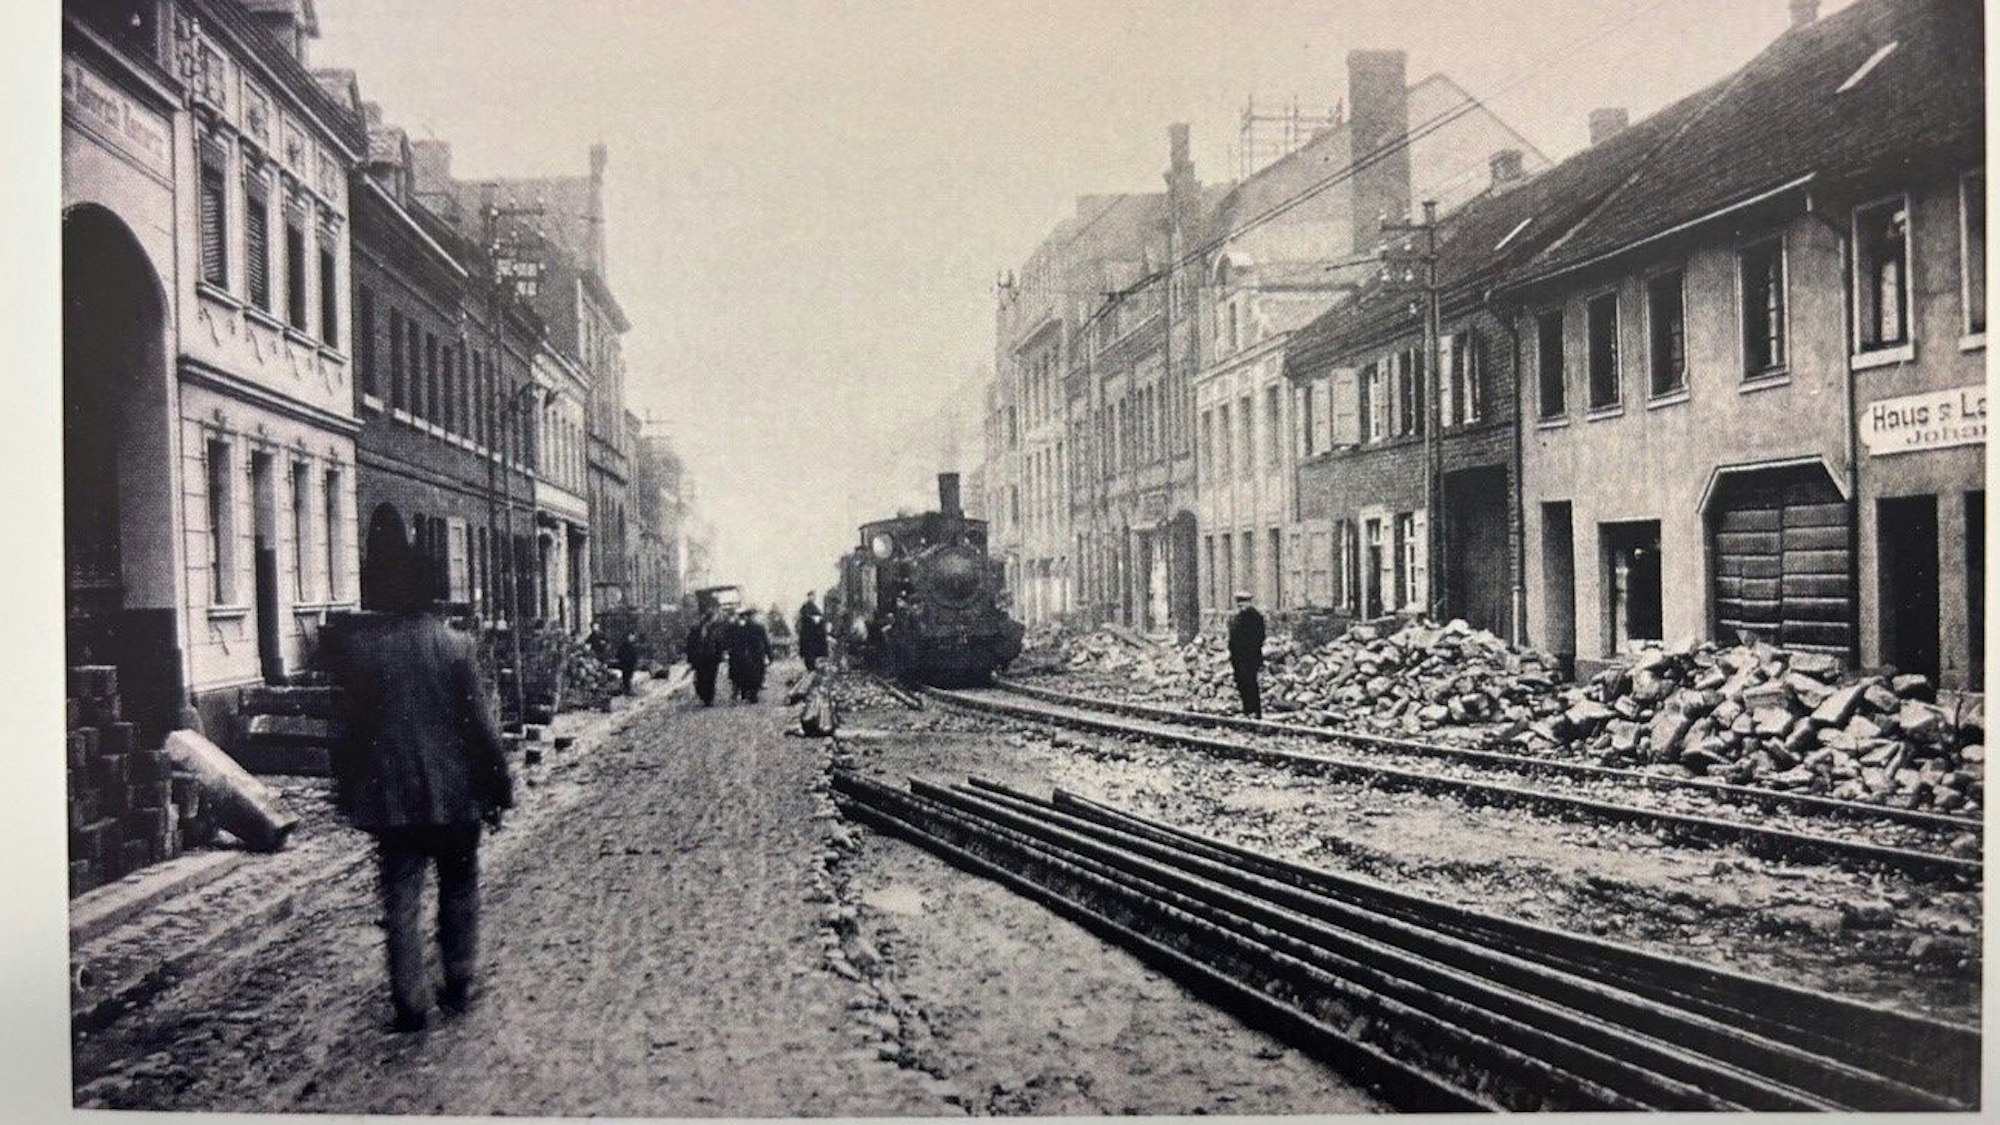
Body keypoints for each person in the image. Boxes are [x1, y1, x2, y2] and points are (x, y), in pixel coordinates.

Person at [325, 531, 512, 1033]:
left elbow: (347, 732)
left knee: (401, 900)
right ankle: (459, 978)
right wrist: (498, 785)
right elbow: (481, 728)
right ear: (433, 594)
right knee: (459, 886)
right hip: (455, 796)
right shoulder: (456, 647)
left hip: (394, 801)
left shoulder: (365, 653)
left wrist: (347, 788)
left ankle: (410, 1003)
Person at [1227, 590, 1267, 719]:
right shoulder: (1238, 617)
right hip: (1239, 657)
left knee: (1249, 683)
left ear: (1249, 602)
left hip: (1248, 657)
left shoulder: (1254, 617)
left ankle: (1253, 711)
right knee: (1242, 683)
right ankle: (1248, 710)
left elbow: (1260, 637)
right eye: (1239, 603)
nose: (1241, 606)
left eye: (1243, 603)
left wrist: (1249, 650)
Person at [725, 608, 772, 703]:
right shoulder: (757, 627)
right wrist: (769, 654)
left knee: (748, 674)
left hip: (749, 655)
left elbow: (764, 641)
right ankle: (751, 694)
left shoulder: (740, 628)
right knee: (754, 674)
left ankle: (749, 693)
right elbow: (765, 641)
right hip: (753, 655)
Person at [684, 610, 723, 706]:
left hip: (712, 658)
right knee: (700, 678)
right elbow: (690, 645)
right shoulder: (695, 630)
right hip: (700, 659)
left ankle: (709, 698)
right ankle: (703, 695)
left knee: (710, 678)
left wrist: (719, 656)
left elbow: (719, 644)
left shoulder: (715, 630)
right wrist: (691, 659)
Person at [796, 592, 828, 673]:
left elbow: (820, 616)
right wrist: (813, 619)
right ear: (809, 596)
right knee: (809, 652)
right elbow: (805, 617)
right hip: (808, 634)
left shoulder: (813, 606)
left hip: (813, 634)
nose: (813, 598)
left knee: (812, 651)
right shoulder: (806, 606)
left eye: (814, 596)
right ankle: (810, 667)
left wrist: (819, 619)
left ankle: (812, 666)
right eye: (811, 596)